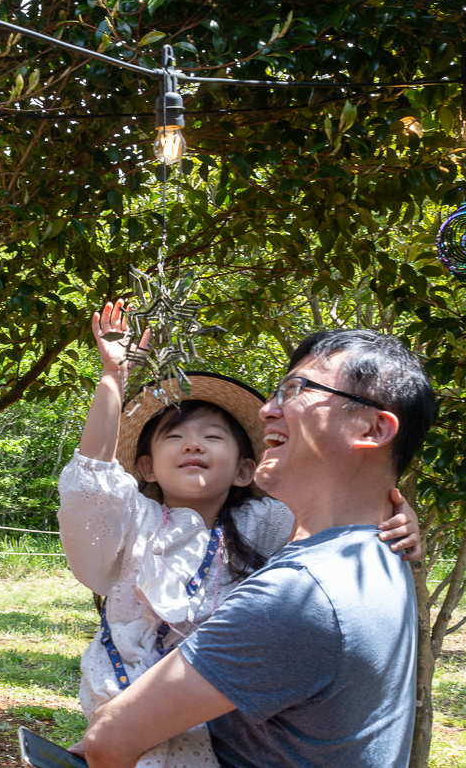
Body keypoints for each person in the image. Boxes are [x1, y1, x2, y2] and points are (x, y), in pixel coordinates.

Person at [59, 303, 421, 768]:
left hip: (162, 722)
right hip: (143, 701)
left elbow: (110, 741)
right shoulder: (139, 522)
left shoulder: (271, 544)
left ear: (244, 470)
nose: (193, 444)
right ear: (145, 467)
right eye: (174, 437)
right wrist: (113, 377)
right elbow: (92, 483)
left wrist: (395, 511)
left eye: (295, 390)